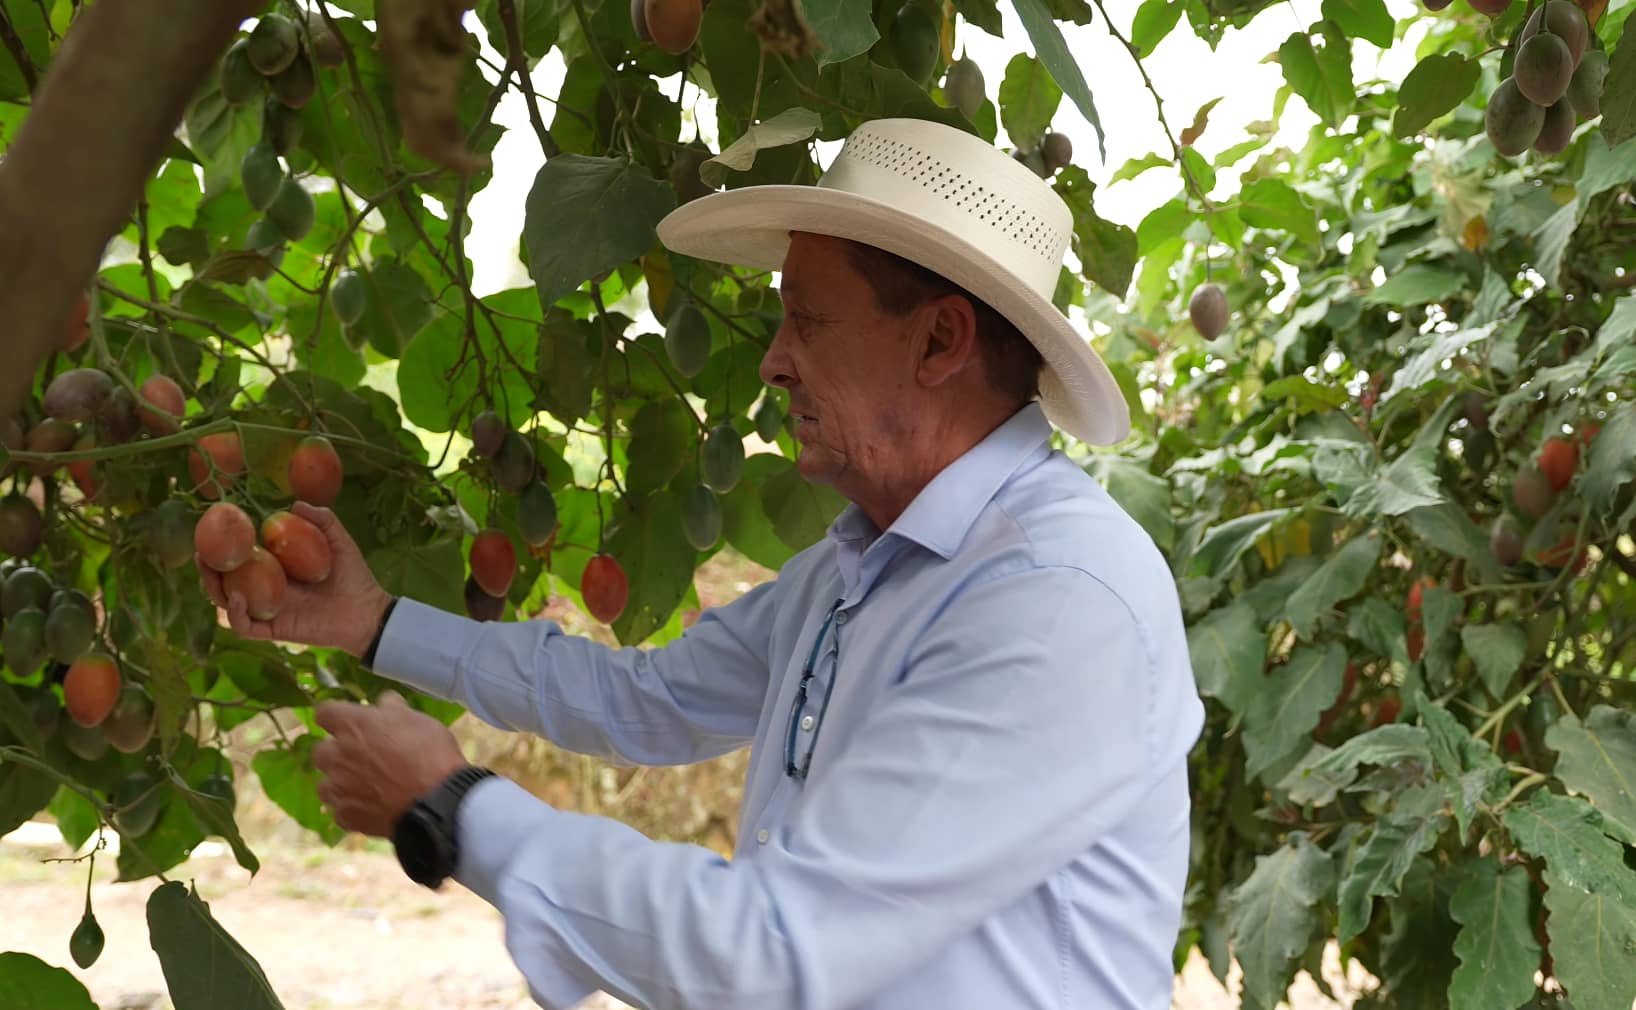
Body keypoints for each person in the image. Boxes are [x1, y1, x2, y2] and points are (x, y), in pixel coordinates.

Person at [198, 117, 1204, 1010]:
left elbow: (774, 953)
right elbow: (643, 699)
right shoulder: (860, 570)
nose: (770, 359)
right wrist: (373, 620)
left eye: (805, 320)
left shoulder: (1053, 598)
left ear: (940, 339)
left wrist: (455, 810)